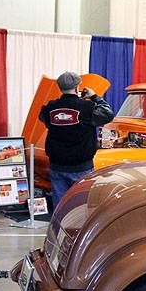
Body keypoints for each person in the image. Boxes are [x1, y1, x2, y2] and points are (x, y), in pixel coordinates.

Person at [39, 72, 114, 209]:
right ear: (78, 87)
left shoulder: (50, 107)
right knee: (80, 206)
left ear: (59, 87)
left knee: (60, 207)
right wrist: (94, 97)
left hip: (57, 164)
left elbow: (43, 119)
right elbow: (108, 114)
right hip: (82, 165)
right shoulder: (88, 108)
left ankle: (60, 229)